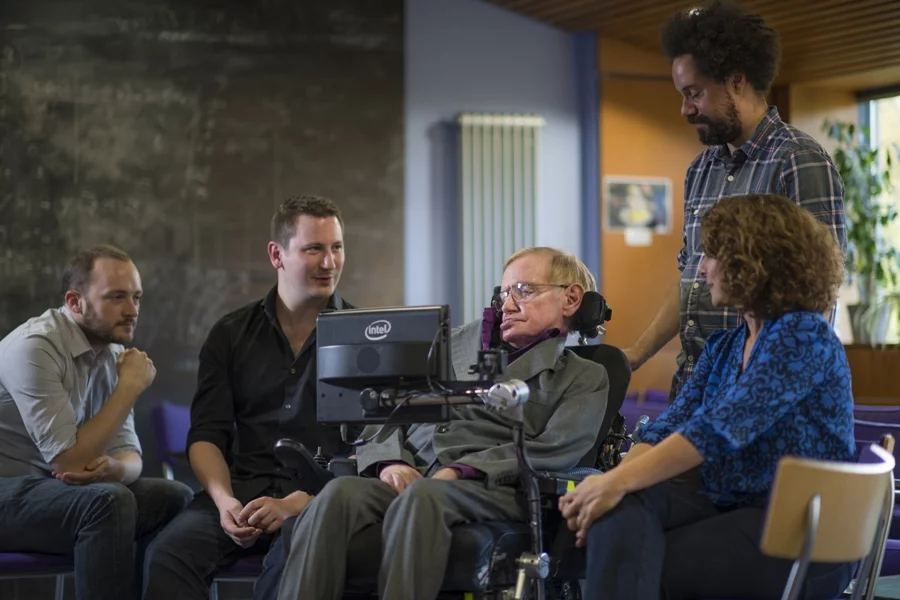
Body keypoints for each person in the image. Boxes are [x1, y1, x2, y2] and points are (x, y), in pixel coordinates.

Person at [561, 194, 856, 600]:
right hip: (730, 507)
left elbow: (716, 430)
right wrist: (612, 485)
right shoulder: (725, 346)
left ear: (755, 261)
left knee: (640, 562)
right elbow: (667, 426)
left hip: (803, 531)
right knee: (619, 511)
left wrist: (614, 482)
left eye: (713, 256)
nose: (701, 270)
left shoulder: (802, 336)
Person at [275, 246, 610, 600]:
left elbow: (556, 449)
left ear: (571, 298)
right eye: (504, 294)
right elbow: (383, 421)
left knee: (425, 495)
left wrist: (461, 471)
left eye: (524, 291)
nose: (508, 306)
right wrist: (391, 461)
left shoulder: (583, 376)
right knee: (338, 493)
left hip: (496, 488)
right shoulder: (452, 348)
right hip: (417, 474)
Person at [622, 0, 847, 401]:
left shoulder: (797, 160)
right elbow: (691, 279)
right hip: (694, 386)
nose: (685, 109)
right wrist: (635, 355)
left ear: (736, 81)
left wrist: (767, 383)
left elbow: (821, 292)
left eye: (694, 93)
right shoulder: (701, 170)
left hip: (757, 388)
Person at [143, 195, 356, 600]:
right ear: (276, 255)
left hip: (319, 502)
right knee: (167, 556)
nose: (329, 263)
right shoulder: (229, 334)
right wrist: (223, 502)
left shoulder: (364, 337)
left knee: (294, 565)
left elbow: (370, 451)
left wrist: (296, 503)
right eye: (314, 249)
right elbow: (207, 435)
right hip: (239, 496)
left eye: (337, 247)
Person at [0, 245, 194, 600]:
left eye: (136, 297)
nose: (133, 310)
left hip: (57, 494)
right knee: (107, 503)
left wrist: (114, 469)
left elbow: (131, 456)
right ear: (75, 303)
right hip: (6, 492)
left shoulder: (113, 354)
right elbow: (69, 463)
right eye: (117, 297)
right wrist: (130, 387)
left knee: (175, 496)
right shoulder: (34, 348)